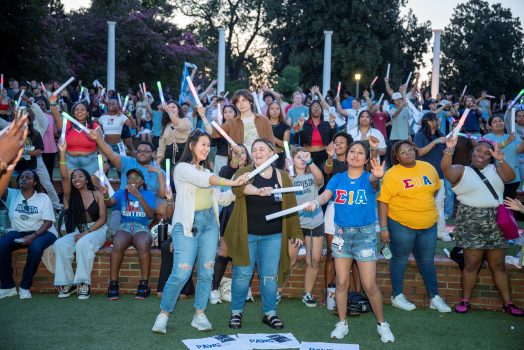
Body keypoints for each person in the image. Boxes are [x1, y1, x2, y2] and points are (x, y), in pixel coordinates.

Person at [152, 129, 249, 334]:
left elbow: (221, 198)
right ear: (191, 145)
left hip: (209, 224)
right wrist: (233, 181)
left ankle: (199, 314)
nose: (206, 149)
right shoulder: (182, 169)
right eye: (202, 144)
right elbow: (207, 181)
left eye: (208, 145)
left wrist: (241, 186)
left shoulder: (207, 172)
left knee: (207, 271)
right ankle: (163, 314)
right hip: (187, 225)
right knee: (181, 272)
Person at [304, 141, 394, 342]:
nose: (355, 155)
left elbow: (374, 180)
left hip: (365, 236)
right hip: (341, 236)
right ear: (345, 155)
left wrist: (377, 175)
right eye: (352, 151)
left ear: (365, 158)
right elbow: (325, 196)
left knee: (369, 285)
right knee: (342, 282)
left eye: (360, 153)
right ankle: (342, 323)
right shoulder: (337, 178)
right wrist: (314, 202)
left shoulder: (368, 178)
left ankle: (382, 324)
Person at [223, 138, 303, 330]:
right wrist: (258, 191)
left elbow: (291, 206)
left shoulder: (282, 176)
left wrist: (296, 232)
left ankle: (270, 313)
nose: (257, 152)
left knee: (269, 276)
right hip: (247, 234)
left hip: (274, 235)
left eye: (261, 149)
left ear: (271, 152)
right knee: (242, 275)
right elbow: (239, 187)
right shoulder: (245, 172)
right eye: (254, 150)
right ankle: (236, 313)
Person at [443, 137, 523, 316]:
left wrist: (500, 158)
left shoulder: (496, 168)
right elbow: (446, 169)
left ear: (491, 157)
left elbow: (510, 177)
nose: (482, 155)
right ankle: (465, 300)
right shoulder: (461, 170)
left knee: (498, 264)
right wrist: (449, 150)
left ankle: (508, 303)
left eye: (487, 153)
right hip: (472, 222)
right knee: (472, 264)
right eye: (479, 151)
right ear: (473, 152)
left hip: (496, 221)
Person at [377, 140, 451, 313]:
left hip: (428, 225)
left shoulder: (428, 168)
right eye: (403, 152)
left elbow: (433, 190)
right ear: (396, 156)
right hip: (401, 225)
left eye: (410, 149)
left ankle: (434, 297)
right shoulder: (392, 174)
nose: (408, 153)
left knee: (427, 261)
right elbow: (383, 202)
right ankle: (397, 295)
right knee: (399, 259)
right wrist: (383, 228)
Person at [53, 140, 107, 300]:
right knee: (60, 244)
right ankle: (67, 283)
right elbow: (64, 176)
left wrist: (86, 233)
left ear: (87, 179)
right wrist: (62, 152)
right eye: (74, 177)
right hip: (78, 230)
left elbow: (103, 219)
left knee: (83, 243)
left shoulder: (97, 194)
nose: (76, 179)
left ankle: (84, 283)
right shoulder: (71, 195)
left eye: (80, 176)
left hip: (97, 230)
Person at [0, 170, 57, 300]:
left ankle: (25, 287)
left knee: (35, 248)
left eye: (28, 177)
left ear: (35, 182)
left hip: (44, 231)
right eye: (21, 177)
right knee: (1, 245)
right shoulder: (12, 195)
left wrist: (33, 236)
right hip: (19, 231)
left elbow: (48, 222)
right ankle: (7, 286)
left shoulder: (43, 197)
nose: (23, 179)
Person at [102, 168, 156, 300]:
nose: (132, 180)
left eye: (136, 178)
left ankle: (144, 284)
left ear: (141, 181)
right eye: (129, 178)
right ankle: (113, 284)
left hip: (141, 227)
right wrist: (105, 194)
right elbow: (109, 203)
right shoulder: (121, 193)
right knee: (117, 244)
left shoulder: (148, 194)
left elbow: (150, 215)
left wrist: (138, 195)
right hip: (125, 226)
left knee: (143, 244)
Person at [209, 144, 251, 304]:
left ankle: (242, 289)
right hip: (230, 212)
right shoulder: (226, 171)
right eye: (235, 152)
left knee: (244, 254)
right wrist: (235, 157)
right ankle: (213, 289)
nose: (240, 155)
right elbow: (226, 179)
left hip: (248, 214)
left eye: (243, 152)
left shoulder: (254, 170)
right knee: (224, 252)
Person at [289, 147, 324, 307]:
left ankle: (307, 293)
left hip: (315, 223)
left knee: (315, 259)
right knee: (290, 259)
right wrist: (287, 174)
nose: (302, 159)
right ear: (292, 160)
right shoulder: (288, 176)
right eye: (298, 157)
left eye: (304, 157)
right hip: (295, 224)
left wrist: (310, 160)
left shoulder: (312, 175)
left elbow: (320, 178)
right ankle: (277, 291)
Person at [202, 89, 274, 154]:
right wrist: (203, 116)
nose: (241, 104)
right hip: (240, 162)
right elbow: (213, 133)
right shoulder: (232, 123)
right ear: (236, 105)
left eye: (244, 100)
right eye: (238, 101)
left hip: (261, 160)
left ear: (250, 102)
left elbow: (271, 144)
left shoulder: (264, 120)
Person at [414, 112, 450, 241]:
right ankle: (421, 231)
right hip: (423, 176)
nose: (438, 120)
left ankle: (441, 232)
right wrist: (435, 142)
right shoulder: (420, 135)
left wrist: (449, 149)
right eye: (435, 119)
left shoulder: (441, 135)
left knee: (439, 205)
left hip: (439, 175)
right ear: (429, 122)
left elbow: (446, 154)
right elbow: (418, 152)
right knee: (422, 204)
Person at [49, 94, 103, 175]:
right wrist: (53, 104)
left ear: (87, 113)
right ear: (73, 114)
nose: (79, 111)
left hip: (90, 161)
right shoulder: (66, 125)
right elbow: (57, 118)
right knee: (71, 185)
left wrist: (104, 162)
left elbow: (102, 147)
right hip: (70, 161)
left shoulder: (95, 127)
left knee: (91, 185)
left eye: (82, 109)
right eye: (77, 110)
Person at [483, 115, 524, 199]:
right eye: (495, 122)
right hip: (495, 176)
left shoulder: (510, 137)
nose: (498, 123)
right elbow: (490, 149)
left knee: (509, 205)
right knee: (497, 204)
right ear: (490, 126)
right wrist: (508, 141)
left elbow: (519, 150)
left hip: (514, 176)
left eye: (500, 121)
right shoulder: (486, 138)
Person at [294, 100, 336, 167]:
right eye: (313, 107)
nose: (316, 108)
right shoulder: (304, 123)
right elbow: (297, 141)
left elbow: (333, 139)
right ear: (310, 110)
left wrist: (332, 125)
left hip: (323, 155)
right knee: (309, 176)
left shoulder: (326, 124)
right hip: (308, 155)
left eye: (318, 107)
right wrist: (300, 128)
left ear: (321, 110)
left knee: (323, 176)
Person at [156, 101, 192, 167]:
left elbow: (178, 124)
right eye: (169, 107)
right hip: (168, 159)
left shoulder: (186, 121)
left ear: (178, 109)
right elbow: (161, 146)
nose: (170, 109)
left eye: (173, 107)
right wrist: (158, 161)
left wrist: (169, 111)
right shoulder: (165, 126)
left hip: (184, 157)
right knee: (169, 177)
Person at [267, 101, 290, 170]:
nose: (275, 111)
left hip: (279, 156)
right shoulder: (264, 125)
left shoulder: (285, 127)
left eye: (277, 109)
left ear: (280, 111)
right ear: (268, 111)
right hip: (266, 156)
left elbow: (285, 145)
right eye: (272, 109)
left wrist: (271, 136)